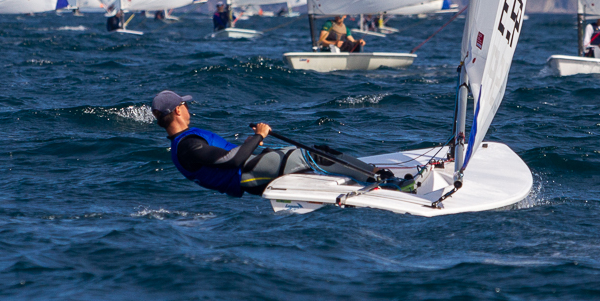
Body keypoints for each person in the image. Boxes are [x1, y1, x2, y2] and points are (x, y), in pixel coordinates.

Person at [152, 90, 408, 198]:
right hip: (247, 173)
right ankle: (383, 181)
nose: (187, 107)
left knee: (320, 152)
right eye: (184, 104)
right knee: (315, 156)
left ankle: (372, 174)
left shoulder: (183, 142)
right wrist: (259, 136)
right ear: (177, 110)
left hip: (251, 169)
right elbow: (232, 161)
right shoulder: (187, 145)